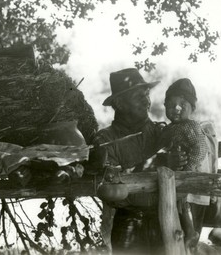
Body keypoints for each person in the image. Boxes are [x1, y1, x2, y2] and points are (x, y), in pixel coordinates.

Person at [89, 68, 187, 254]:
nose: (147, 101)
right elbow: (113, 184)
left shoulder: (162, 133)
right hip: (127, 224)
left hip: (167, 221)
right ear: (119, 103)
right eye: (138, 96)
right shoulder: (105, 141)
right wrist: (160, 162)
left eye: (147, 94)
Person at [159, 78, 213, 248]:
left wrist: (189, 168)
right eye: (171, 104)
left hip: (191, 178)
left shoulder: (191, 127)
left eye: (183, 104)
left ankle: (191, 232)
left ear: (193, 108)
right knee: (176, 207)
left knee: (184, 204)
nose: (176, 108)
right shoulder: (169, 129)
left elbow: (200, 148)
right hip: (176, 178)